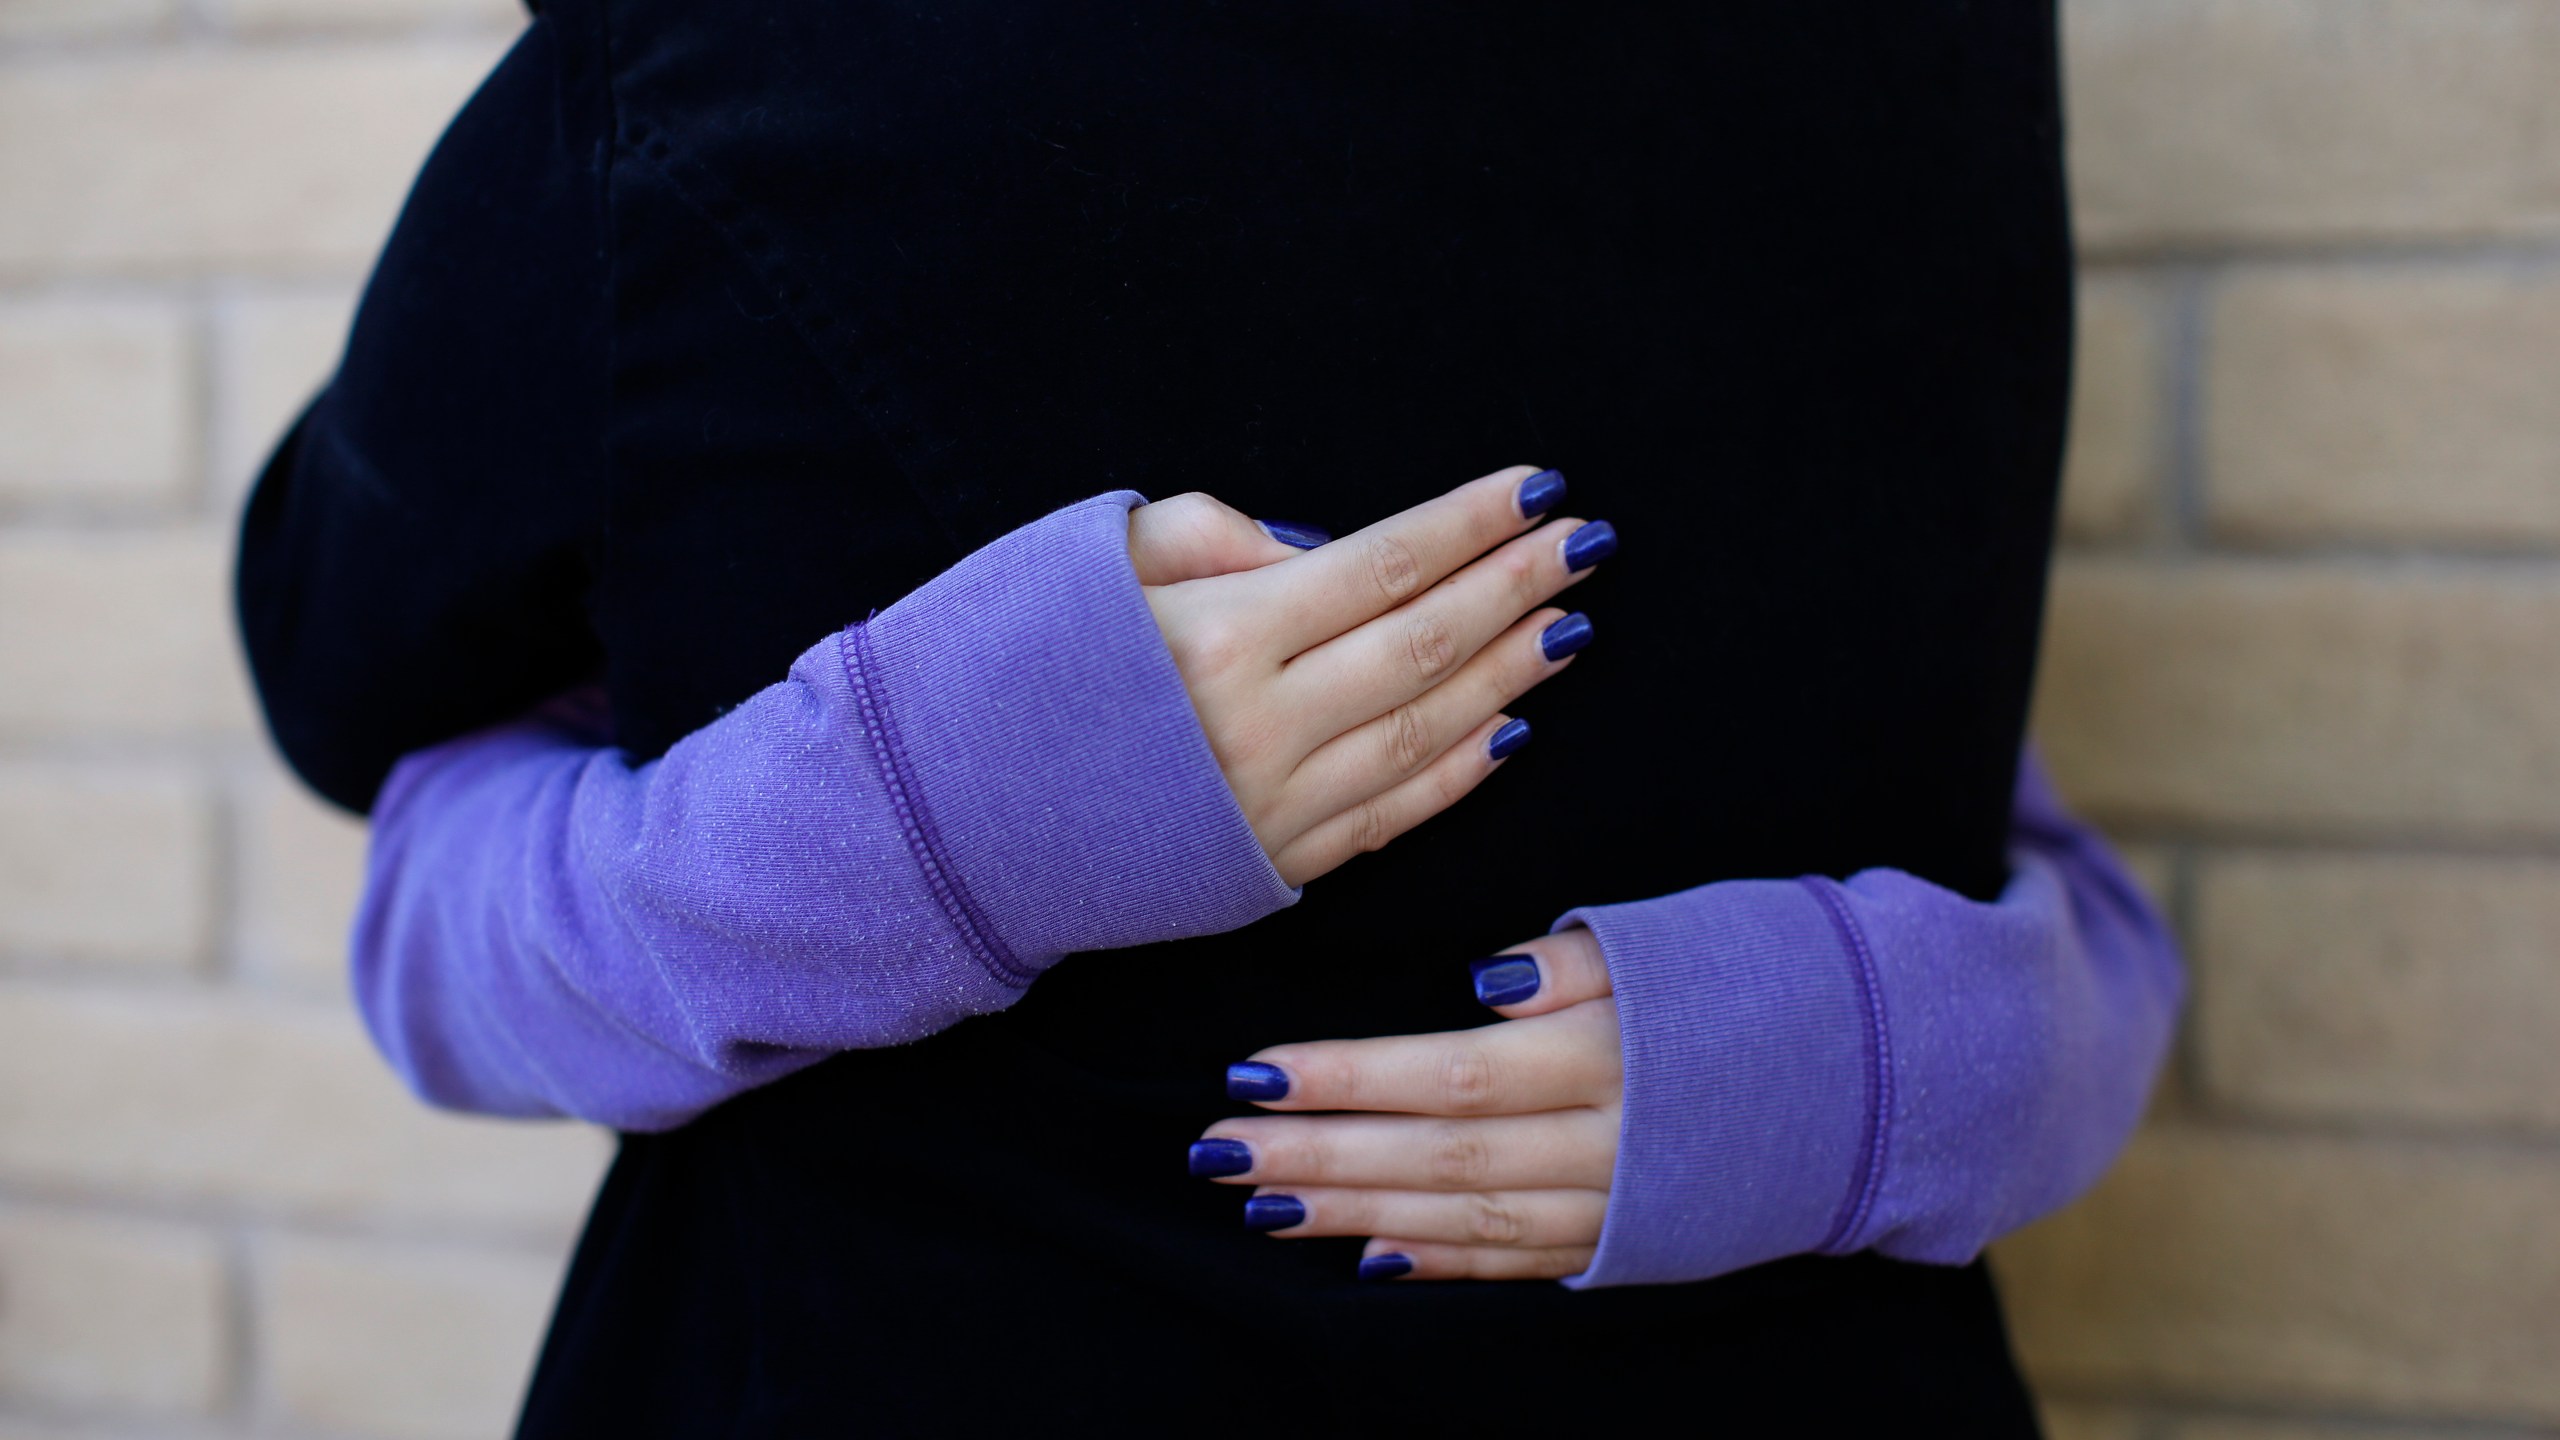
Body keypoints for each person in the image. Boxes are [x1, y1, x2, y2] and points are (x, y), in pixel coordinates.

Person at [235, 1, 2181, 1431]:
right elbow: (1976, 802)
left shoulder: (712, 68)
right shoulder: (1953, 55)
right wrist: (1932, 1050)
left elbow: (366, 747)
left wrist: (890, 816)